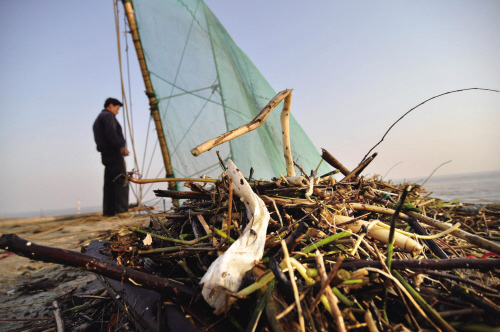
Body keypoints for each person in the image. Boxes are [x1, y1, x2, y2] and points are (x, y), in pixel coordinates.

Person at [93, 98, 130, 217]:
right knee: (121, 179)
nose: (118, 111)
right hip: (113, 153)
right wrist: (120, 147)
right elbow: (111, 132)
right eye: (117, 108)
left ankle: (109, 211)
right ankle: (122, 210)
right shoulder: (108, 116)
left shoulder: (99, 118)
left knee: (110, 183)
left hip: (105, 154)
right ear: (110, 105)